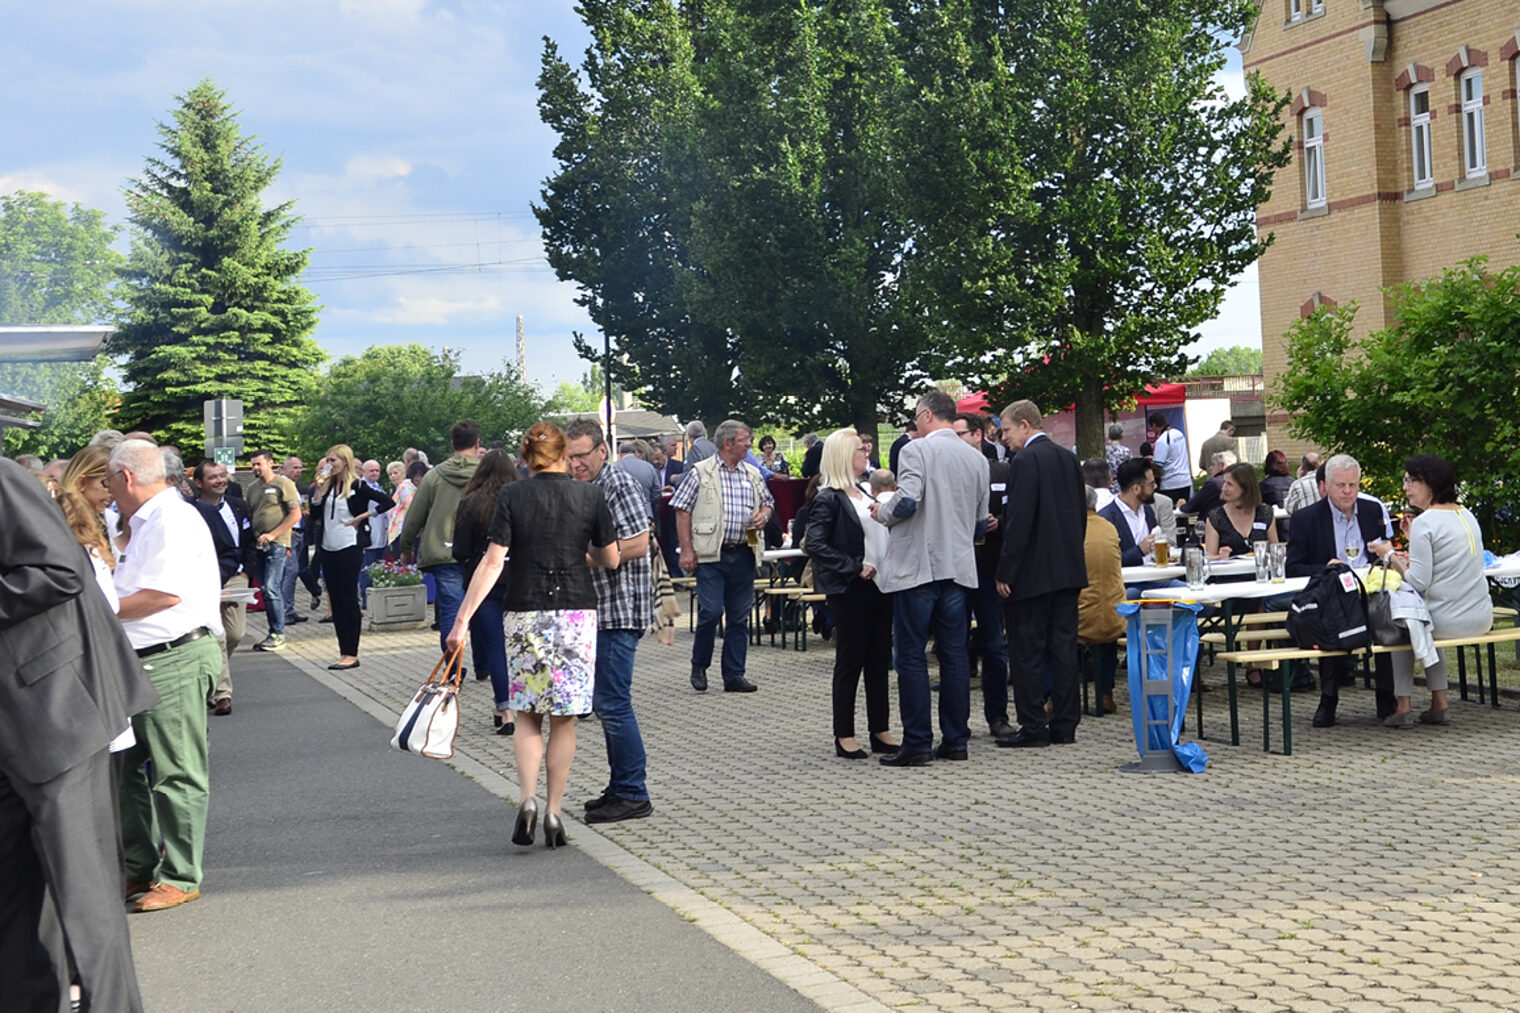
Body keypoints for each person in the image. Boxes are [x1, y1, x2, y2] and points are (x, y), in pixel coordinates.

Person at [1, 456, 159, 1012]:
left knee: (85, 898)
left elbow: (60, 570)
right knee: (15, 902)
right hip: (13, 727)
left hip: (54, 714)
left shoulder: (0, 477)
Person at [446, 422, 619, 849]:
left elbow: (492, 562)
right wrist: (585, 549)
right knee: (564, 720)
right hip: (577, 612)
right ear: (564, 455)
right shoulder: (590, 495)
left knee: (526, 714)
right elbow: (611, 558)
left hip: (524, 610)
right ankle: (555, 810)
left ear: (526, 459)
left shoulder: (512, 495)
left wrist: (461, 620)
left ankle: (527, 799)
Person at [109, 439, 225, 913]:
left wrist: (96, 612)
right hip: (144, 657)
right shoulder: (149, 520)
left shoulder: (171, 519)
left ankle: (180, 875)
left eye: (108, 480)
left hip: (172, 655)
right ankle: (140, 868)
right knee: (121, 771)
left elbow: (162, 595)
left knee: (176, 772)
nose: (108, 490)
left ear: (127, 477)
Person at [872, 390, 987, 765]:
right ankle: (956, 740)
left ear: (925, 416)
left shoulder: (914, 450)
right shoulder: (976, 457)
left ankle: (918, 741)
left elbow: (907, 501)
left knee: (910, 655)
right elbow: (980, 522)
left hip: (918, 566)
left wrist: (881, 513)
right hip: (958, 566)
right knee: (954, 655)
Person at [565, 420, 656, 822]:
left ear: (602, 450)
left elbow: (640, 542)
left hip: (620, 608)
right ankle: (621, 785)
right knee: (605, 701)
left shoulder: (618, 483)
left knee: (613, 703)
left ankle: (634, 793)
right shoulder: (589, 486)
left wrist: (579, 557)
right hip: (600, 606)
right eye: (569, 457)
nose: (575, 463)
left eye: (582, 455)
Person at [995, 400, 1088, 748]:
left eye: (1005, 430)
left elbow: (1019, 521)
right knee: (1064, 650)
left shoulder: (1025, 461)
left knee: (1027, 652)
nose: (1004, 438)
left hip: (1032, 575)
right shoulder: (1067, 458)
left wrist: (1006, 571)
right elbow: (1079, 513)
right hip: (1067, 570)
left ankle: (1033, 725)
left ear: (1024, 425)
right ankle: (1065, 724)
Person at [1377, 454, 1492, 727]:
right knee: (1422, 615)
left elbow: (1418, 582)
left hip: (1447, 621)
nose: (1405, 487)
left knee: (1404, 619)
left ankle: (1403, 706)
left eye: (1411, 481)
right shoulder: (1466, 514)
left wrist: (1390, 554)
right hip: (1481, 616)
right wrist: (1410, 543)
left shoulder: (1426, 522)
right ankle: (1439, 703)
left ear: (1430, 484)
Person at [1284, 454, 1397, 726]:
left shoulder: (1372, 511)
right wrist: (1325, 567)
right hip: (1331, 595)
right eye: (1340, 485)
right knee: (1332, 620)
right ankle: (1328, 700)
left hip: (1370, 590)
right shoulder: (1306, 518)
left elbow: (1385, 554)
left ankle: (1387, 698)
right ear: (1326, 486)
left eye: (1353, 485)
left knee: (1388, 618)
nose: (1347, 492)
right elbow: (1293, 567)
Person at [805, 429, 898, 759]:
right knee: (850, 659)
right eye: (860, 450)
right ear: (844, 455)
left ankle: (880, 728)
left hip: (880, 585)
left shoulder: (863, 490)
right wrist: (853, 565)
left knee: (878, 658)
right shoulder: (828, 496)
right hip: (851, 588)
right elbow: (814, 543)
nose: (866, 455)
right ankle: (843, 733)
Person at [672, 419, 775, 693]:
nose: (749, 444)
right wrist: (688, 550)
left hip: (743, 552)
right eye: (744, 440)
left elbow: (768, 503)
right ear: (728, 443)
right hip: (711, 555)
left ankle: (734, 674)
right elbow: (681, 510)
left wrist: (763, 516)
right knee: (711, 611)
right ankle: (699, 663)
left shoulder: (752, 473)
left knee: (739, 617)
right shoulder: (700, 472)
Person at [400, 419, 482, 659]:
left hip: (443, 550)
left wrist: (406, 547)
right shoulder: (484, 474)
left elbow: (415, 515)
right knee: (481, 608)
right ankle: (485, 663)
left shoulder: (433, 476)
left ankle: (452, 667)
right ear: (477, 443)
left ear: (451, 443)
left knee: (450, 609)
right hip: (480, 552)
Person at [309, 444, 395, 671]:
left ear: (345, 462)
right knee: (335, 599)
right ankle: (342, 650)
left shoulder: (357, 485)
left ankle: (351, 652)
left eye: (333, 461)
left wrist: (364, 516)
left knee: (348, 598)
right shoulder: (327, 486)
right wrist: (317, 490)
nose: (329, 465)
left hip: (349, 545)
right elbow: (316, 514)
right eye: (327, 461)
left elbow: (387, 502)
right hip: (328, 546)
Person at [952, 413, 1012, 736]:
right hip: (957, 571)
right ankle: (957, 722)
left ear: (977, 435)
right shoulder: (947, 473)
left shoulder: (1001, 470)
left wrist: (998, 521)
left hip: (989, 570)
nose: (955, 439)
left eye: (960, 433)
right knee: (955, 646)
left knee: (994, 646)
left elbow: (1015, 511)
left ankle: (997, 716)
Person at [451, 450, 517, 731]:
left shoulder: (470, 502)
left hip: (483, 580)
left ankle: (505, 708)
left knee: (495, 648)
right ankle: (524, 703)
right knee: (518, 646)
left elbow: (460, 551)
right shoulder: (519, 499)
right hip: (518, 578)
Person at [191, 460, 256, 716]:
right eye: (212, 477)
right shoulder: (193, 511)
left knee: (235, 634)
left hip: (237, 577)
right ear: (199, 483)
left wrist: (248, 572)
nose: (219, 481)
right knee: (216, 635)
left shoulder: (238, 506)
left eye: (222, 476)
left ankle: (211, 673)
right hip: (207, 579)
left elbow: (249, 540)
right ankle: (222, 694)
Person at [247, 449, 301, 652]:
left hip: (277, 544)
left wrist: (274, 533)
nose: (255, 468)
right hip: (258, 545)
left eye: (258, 464)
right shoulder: (252, 488)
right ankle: (272, 632)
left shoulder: (283, 484)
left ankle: (278, 633)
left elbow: (295, 515)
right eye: (253, 464)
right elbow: (251, 513)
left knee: (271, 587)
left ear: (270, 463)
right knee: (265, 589)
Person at [1078, 486, 1126, 713]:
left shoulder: (1070, 530)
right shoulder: (1109, 527)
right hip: (1115, 615)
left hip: (1080, 618)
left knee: (1049, 632)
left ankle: (1055, 696)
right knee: (1107, 639)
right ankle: (1105, 692)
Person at [1204, 463, 1279, 560]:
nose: (1223, 488)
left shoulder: (1265, 513)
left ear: (1245, 487)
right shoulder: (1216, 517)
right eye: (1224, 482)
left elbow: (1276, 551)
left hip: (1260, 571)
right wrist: (1220, 557)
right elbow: (1209, 557)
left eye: (1229, 484)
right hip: (1230, 573)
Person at [278, 456, 317, 626]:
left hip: (300, 532)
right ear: (284, 469)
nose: (298, 471)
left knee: (296, 570)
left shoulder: (295, 487)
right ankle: (285, 611)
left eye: (300, 468)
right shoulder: (281, 485)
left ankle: (290, 609)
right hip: (290, 534)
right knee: (290, 572)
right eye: (294, 468)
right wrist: (287, 528)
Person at [1148, 411, 1191, 505]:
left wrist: (1148, 465)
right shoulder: (1179, 434)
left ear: (1154, 425)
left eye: (1152, 427)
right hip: (1186, 480)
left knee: (1172, 514)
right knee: (1183, 512)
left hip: (1170, 483)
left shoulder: (1162, 441)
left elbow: (1158, 465)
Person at [1182, 450, 1236, 518]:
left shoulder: (1213, 484)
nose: (1210, 468)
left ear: (1223, 465)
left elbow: (1191, 506)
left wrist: (1182, 506)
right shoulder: (1239, 482)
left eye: (1213, 464)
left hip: (1213, 523)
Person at [616, 439, 662, 520]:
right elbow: (657, 492)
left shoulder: (615, 467)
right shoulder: (649, 467)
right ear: (634, 451)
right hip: (646, 513)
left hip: (622, 514)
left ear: (620, 453)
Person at [1104, 423, 1132, 490]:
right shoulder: (1126, 451)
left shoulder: (1104, 450)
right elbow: (1131, 470)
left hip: (1106, 484)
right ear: (1121, 436)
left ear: (1109, 436)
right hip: (1123, 484)